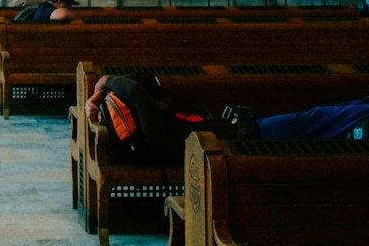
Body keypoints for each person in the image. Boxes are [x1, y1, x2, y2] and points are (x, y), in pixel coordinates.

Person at [84, 69, 369, 163]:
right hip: (248, 137)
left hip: (245, 130)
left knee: (323, 117)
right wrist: (106, 80)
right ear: (152, 103)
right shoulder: (156, 131)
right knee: (318, 118)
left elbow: (136, 89)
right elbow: (134, 89)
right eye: (162, 98)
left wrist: (101, 93)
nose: (169, 101)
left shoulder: (156, 125)